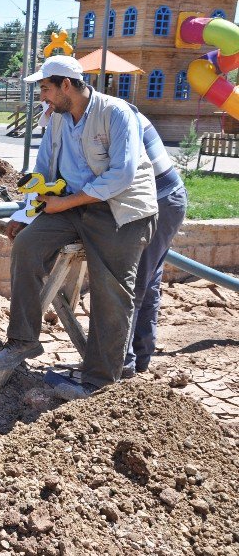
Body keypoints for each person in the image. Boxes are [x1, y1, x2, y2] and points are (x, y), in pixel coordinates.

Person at [0, 56, 157, 399]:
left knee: (110, 293)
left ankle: (98, 383)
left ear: (66, 85)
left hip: (119, 210)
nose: (43, 97)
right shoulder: (56, 119)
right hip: (71, 207)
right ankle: (23, 341)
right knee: (27, 246)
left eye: (46, 88)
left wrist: (65, 203)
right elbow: (42, 170)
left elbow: (122, 175)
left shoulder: (116, 113)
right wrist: (24, 215)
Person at [122, 110, 188, 376]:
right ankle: (140, 361)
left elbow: (119, 175)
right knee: (148, 285)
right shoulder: (120, 112)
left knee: (134, 285)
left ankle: (124, 366)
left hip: (160, 201)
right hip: (167, 198)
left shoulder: (117, 119)